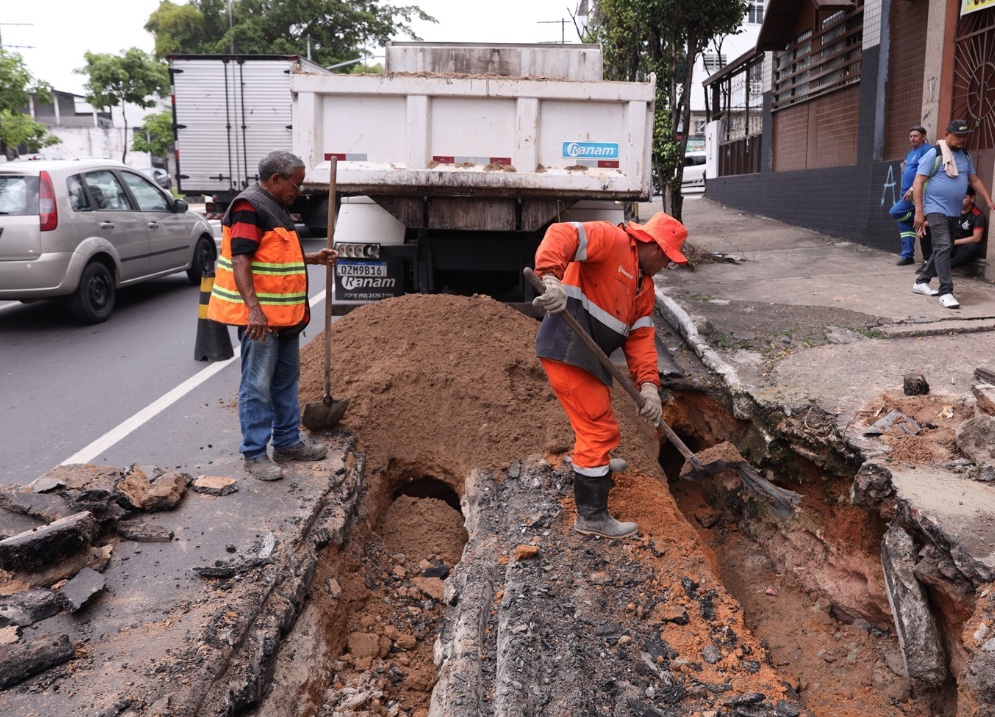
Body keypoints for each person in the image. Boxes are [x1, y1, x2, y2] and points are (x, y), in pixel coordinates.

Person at [532, 212, 688, 538]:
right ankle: (591, 516)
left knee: (599, 419)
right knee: (598, 429)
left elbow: (642, 338)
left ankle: (595, 466)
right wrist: (550, 278)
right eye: (669, 260)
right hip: (567, 348)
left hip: (588, 358)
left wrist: (648, 386)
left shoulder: (644, 285)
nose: (667, 266)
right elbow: (563, 233)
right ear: (657, 249)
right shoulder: (612, 240)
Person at [207, 150, 338, 481]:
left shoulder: (275, 206)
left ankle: (287, 442)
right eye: (297, 184)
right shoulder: (248, 206)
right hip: (262, 321)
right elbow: (241, 260)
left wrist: (313, 258)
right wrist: (254, 310)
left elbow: (275, 259)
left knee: (285, 382)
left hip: (285, 320)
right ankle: (254, 453)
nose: (300, 191)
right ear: (276, 180)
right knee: (257, 385)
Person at [912, 119, 995, 309]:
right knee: (943, 245)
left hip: (954, 210)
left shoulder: (965, 156)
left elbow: (973, 180)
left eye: (964, 136)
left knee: (946, 247)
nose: (962, 139)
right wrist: (919, 212)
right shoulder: (934, 153)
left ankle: (921, 281)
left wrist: (988, 200)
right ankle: (946, 291)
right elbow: (918, 182)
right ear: (947, 134)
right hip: (935, 208)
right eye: (958, 136)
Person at [890, 126, 930, 265]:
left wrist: (913, 188)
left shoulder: (927, 150)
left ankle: (918, 219)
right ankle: (907, 256)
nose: (912, 138)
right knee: (904, 225)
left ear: (924, 136)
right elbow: (907, 166)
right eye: (911, 136)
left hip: (915, 193)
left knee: (895, 212)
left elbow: (927, 171)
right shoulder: (911, 152)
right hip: (905, 193)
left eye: (916, 136)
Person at [950, 186, 986, 270]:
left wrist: (954, 242)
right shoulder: (952, 210)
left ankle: (947, 267)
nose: (960, 200)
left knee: (974, 248)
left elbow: (976, 238)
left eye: (964, 198)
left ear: (972, 198)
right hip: (947, 243)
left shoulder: (977, 215)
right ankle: (927, 262)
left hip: (960, 246)